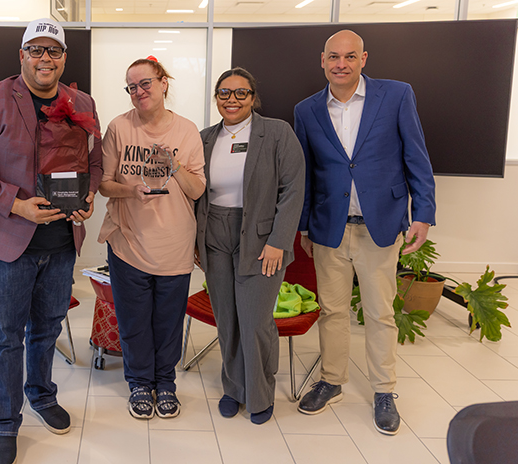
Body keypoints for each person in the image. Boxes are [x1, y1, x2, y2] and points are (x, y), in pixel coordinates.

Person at [0, 18, 103, 464]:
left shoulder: (82, 101)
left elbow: (95, 163)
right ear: (22, 56)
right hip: (6, 244)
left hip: (60, 243)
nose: (44, 58)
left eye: (53, 51)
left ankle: (41, 393)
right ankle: (5, 421)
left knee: (49, 328)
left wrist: (89, 195)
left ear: (63, 58)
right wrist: (17, 205)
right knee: (5, 338)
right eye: (35, 50)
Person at [293, 30, 436, 435]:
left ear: (364, 59)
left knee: (380, 313)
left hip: (381, 224)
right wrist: (303, 224)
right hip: (329, 226)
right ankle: (331, 380)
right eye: (334, 56)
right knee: (333, 310)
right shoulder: (306, 110)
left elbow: (416, 156)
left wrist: (422, 213)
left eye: (350, 56)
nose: (341, 63)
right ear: (322, 60)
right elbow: (305, 173)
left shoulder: (396, 95)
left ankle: (383, 391)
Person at [98, 57, 206, 421]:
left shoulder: (187, 131)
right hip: (128, 242)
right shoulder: (118, 128)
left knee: (167, 321)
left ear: (163, 83)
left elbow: (196, 190)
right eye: (131, 87)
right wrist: (132, 192)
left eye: (145, 83)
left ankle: (166, 382)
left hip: (174, 244)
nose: (138, 92)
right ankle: (140, 383)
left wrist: (174, 166)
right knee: (134, 322)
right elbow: (103, 184)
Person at [195, 67, 305, 424]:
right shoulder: (205, 137)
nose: (232, 100)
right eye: (224, 93)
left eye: (241, 93)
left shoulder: (276, 133)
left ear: (253, 97)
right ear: (216, 98)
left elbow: (293, 190)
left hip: (261, 239)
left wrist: (278, 241)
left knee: (256, 321)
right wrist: (196, 240)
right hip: (215, 235)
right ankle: (233, 388)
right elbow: (196, 193)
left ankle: (259, 395)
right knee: (227, 319)